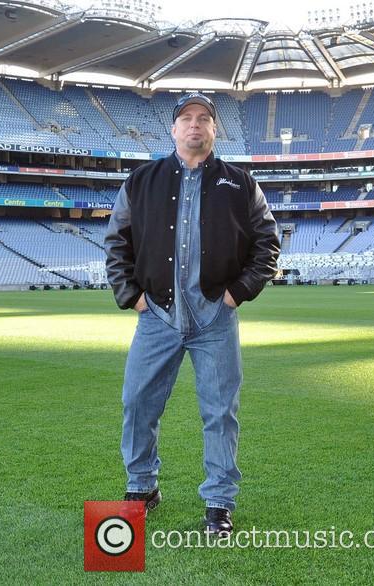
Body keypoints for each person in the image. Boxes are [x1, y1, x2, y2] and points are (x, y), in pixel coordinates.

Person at [104, 92, 280, 535]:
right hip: (157, 315)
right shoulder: (141, 181)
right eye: (186, 118)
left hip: (214, 318)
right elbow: (116, 244)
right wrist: (133, 296)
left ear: (215, 128)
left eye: (204, 118)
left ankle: (219, 503)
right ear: (174, 128)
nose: (195, 125)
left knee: (221, 412)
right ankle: (141, 487)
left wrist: (237, 293)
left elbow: (267, 243)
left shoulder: (241, 184)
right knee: (138, 403)